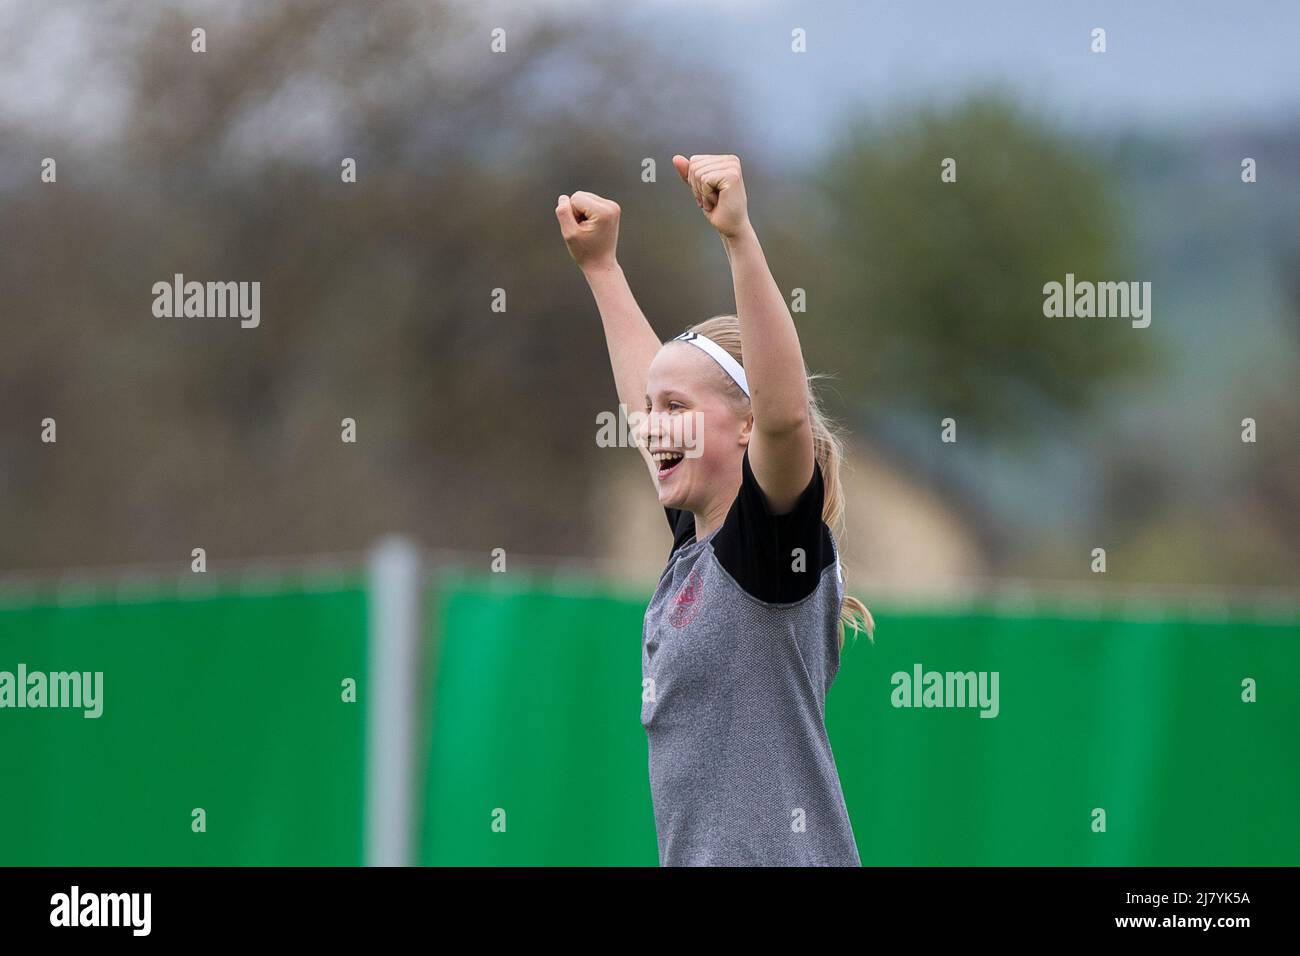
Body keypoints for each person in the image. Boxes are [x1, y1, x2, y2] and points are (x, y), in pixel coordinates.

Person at [555, 153, 871, 866]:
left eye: (678, 409)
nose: (652, 424)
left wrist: (738, 237)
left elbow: (788, 417)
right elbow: (652, 394)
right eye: (650, 411)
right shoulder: (696, 548)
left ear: (746, 425)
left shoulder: (766, 552)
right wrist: (602, 270)